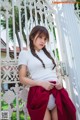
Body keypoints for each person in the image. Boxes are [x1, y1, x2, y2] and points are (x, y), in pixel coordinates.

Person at [18, 25, 76, 120]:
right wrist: (41, 83)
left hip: (56, 91)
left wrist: (59, 83)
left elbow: (53, 73)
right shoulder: (25, 54)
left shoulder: (49, 53)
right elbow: (22, 78)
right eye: (40, 37)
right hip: (39, 92)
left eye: (45, 39)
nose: (43, 41)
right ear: (32, 37)